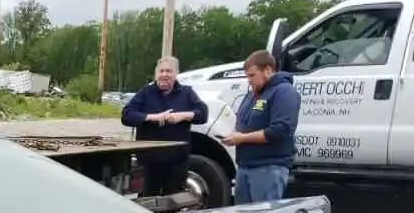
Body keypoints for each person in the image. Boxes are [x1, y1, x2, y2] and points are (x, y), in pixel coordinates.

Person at [121, 56, 209, 197]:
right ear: (156, 73)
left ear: (176, 73)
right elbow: (126, 115)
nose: (164, 75)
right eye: (161, 71)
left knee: (174, 202)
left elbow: (203, 114)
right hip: (149, 162)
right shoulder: (145, 92)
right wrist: (152, 117)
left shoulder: (187, 93)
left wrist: (183, 116)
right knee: (147, 203)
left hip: (177, 162)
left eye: (169, 71)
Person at [221, 51, 301, 204]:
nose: (249, 81)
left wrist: (242, 138)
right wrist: (234, 135)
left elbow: (280, 130)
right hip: (245, 166)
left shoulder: (284, 91)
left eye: (252, 75)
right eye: (247, 76)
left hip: (268, 167)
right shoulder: (253, 94)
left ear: (268, 70)